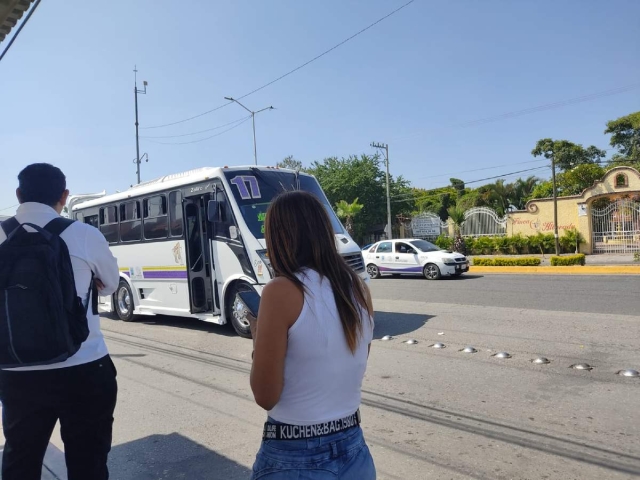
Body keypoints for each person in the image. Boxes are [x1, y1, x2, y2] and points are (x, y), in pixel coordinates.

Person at [0, 163, 120, 480]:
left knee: (19, 462)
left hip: (15, 371)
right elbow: (109, 285)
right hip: (84, 367)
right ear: (64, 197)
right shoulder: (84, 235)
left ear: (18, 194)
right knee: (88, 464)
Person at [249, 191, 376, 479]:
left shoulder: (280, 290)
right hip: (355, 451)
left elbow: (265, 396)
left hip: (295, 457)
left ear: (280, 238)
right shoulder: (357, 289)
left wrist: (258, 340)